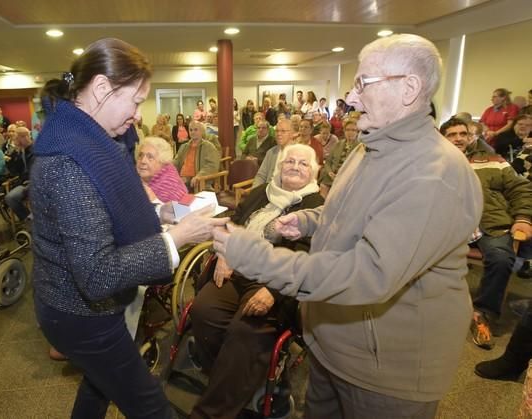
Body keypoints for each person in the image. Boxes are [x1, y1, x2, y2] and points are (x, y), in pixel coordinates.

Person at [212, 34, 483, 418]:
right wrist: (308, 221)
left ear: (409, 88)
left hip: (386, 371)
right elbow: (354, 214)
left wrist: (257, 258)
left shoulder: (434, 173)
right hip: (332, 344)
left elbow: (369, 273)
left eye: (363, 84)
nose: (351, 99)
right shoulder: (369, 148)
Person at [30, 38, 227, 419]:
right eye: (136, 100)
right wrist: (177, 238)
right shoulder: (69, 161)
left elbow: (103, 217)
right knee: (150, 406)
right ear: (102, 88)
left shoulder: (82, 140)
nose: (138, 114)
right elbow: (98, 274)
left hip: (71, 308)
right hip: (82, 316)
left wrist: (161, 217)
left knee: (98, 387)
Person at [190, 144, 323, 419]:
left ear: (314, 173)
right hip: (237, 269)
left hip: (275, 282)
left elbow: (307, 256)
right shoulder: (261, 192)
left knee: (246, 331)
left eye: (303, 163)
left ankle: (211, 412)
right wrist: (225, 253)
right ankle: (235, 381)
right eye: (290, 161)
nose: (295, 167)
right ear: (279, 166)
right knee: (203, 310)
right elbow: (234, 221)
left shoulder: (315, 207)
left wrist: (274, 290)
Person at [441, 117, 532, 350]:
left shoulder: (491, 159)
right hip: (449, 227)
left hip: (490, 225)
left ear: (470, 136)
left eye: (463, 133)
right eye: (452, 135)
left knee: (501, 259)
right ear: (442, 139)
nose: (458, 138)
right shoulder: (433, 163)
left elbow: (520, 188)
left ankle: (482, 313)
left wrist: (522, 219)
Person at [137, 136, 187, 203]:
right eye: (140, 155)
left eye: (150, 157)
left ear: (162, 162)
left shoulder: (171, 187)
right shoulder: (136, 180)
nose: (143, 161)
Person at [173, 121, 220, 191]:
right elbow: (176, 162)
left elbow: (212, 166)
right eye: (190, 130)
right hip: (182, 179)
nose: (192, 132)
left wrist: (199, 176)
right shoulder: (184, 147)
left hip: (197, 180)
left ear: (202, 131)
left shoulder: (209, 147)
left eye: (195, 129)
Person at [4, 127, 34, 221]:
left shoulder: (36, 150)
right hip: (24, 183)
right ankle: (28, 218)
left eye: (16, 139)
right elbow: (14, 171)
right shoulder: (20, 151)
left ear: (24, 137)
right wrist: (10, 160)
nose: (14, 142)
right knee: (10, 198)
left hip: (36, 183)